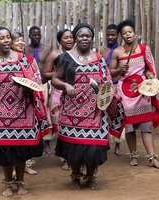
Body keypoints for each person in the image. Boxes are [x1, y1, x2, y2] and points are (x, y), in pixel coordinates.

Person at [52, 23, 125, 190]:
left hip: (96, 110)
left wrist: (105, 90)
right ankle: (76, 176)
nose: (84, 38)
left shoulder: (99, 58)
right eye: (81, 36)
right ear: (76, 38)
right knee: (75, 146)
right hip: (72, 111)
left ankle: (91, 176)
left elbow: (107, 80)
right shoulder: (66, 57)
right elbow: (55, 79)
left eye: (88, 36)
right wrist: (65, 86)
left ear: (92, 38)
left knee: (95, 145)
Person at [0, 27, 49, 196]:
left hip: (23, 111)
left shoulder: (25, 60)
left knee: (21, 150)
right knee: (5, 151)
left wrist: (26, 85)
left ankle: (20, 181)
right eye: (2, 38)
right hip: (0, 114)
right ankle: (8, 183)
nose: (6, 40)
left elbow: (36, 84)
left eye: (8, 37)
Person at [109, 19, 159, 168]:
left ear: (135, 33)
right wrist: (120, 70)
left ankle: (152, 158)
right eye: (124, 33)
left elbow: (148, 67)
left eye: (130, 32)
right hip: (125, 94)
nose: (128, 35)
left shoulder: (143, 48)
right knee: (130, 127)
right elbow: (110, 73)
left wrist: (149, 74)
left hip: (142, 93)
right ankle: (133, 156)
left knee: (146, 126)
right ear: (121, 36)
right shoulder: (117, 52)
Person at [43, 29, 74, 170]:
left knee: (73, 124)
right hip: (58, 93)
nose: (69, 40)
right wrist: (59, 75)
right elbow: (46, 73)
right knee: (60, 126)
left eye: (71, 37)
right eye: (66, 38)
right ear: (60, 40)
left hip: (74, 92)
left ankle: (73, 155)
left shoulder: (77, 54)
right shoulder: (54, 54)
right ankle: (65, 157)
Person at [11, 31, 38, 176]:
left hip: (27, 101)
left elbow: (37, 78)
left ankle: (26, 164)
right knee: (13, 137)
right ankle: (14, 168)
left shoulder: (30, 60)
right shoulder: (6, 60)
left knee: (27, 134)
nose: (20, 43)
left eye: (22, 41)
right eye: (17, 41)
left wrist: (32, 86)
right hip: (11, 103)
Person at [25, 26, 52, 155]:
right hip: (29, 85)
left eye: (38, 35)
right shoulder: (25, 49)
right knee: (32, 111)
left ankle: (46, 141)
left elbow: (51, 66)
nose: (36, 37)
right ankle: (34, 140)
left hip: (43, 83)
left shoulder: (47, 49)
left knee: (44, 111)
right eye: (33, 35)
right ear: (29, 36)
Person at [100, 24, 124, 156]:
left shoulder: (121, 50)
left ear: (117, 35)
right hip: (105, 85)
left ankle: (118, 144)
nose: (110, 37)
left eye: (113, 34)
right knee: (104, 113)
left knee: (119, 113)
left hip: (118, 84)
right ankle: (105, 142)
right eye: (108, 34)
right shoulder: (101, 50)